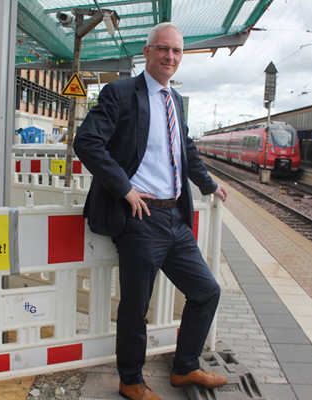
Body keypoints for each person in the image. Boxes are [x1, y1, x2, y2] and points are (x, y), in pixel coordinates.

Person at [74, 22, 228, 400]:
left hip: (175, 218)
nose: (170, 57)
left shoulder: (174, 99)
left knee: (206, 291)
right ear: (147, 52)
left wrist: (208, 184)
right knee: (136, 306)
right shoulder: (120, 93)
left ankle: (185, 367)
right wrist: (124, 188)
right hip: (140, 218)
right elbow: (87, 142)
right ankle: (131, 380)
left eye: (176, 51)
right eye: (162, 49)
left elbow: (184, 149)